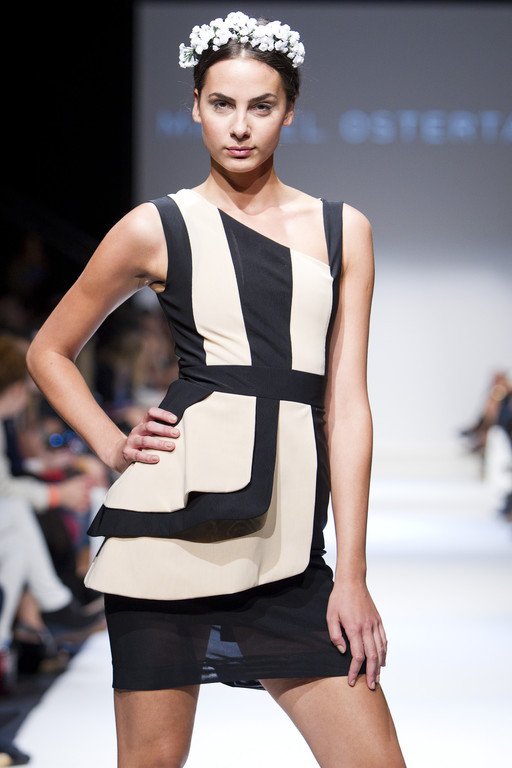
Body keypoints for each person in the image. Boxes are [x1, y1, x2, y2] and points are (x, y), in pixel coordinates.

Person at [26, 11, 406, 767]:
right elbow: (48, 351)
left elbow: (347, 407)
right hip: (165, 532)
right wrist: (112, 445)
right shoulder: (156, 226)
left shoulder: (343, 231)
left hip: (288, 549)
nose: (239, 126)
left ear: (288, 111)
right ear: (195, 106)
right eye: (221, 104)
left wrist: (354, 575)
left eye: (260, 106)